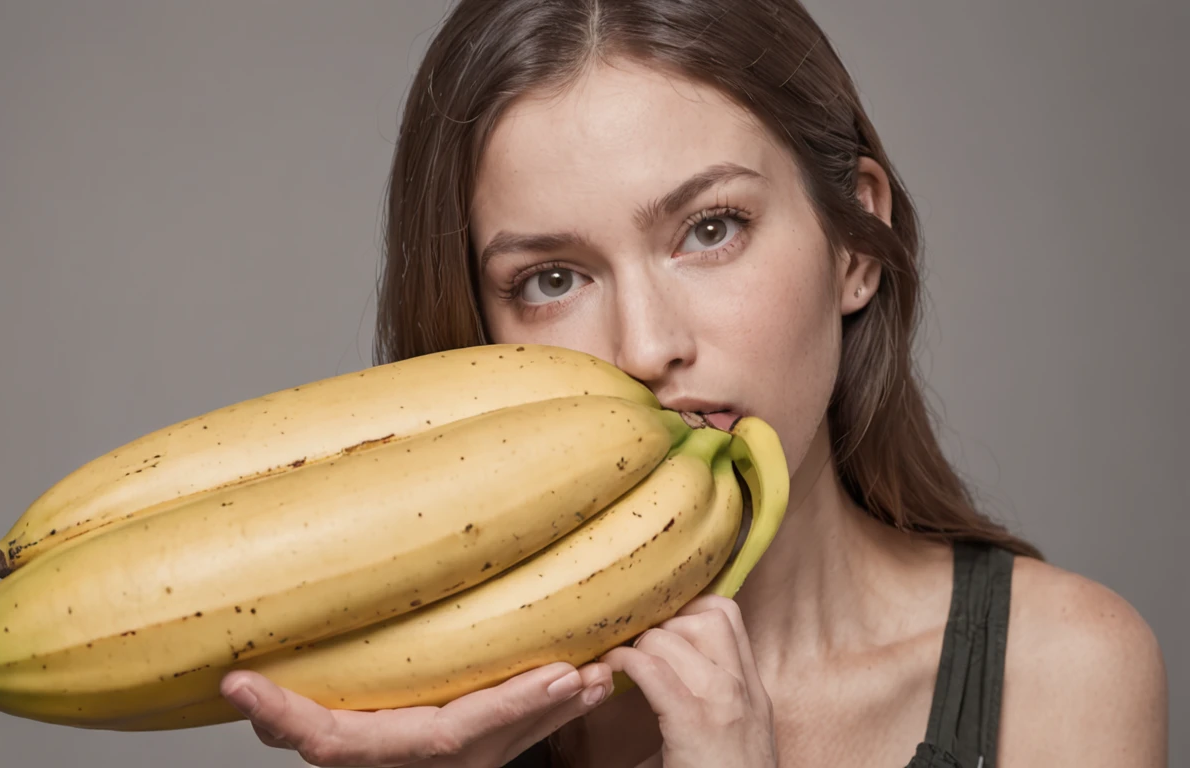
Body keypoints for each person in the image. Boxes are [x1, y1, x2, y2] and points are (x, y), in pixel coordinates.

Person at [215, 1, 1169, 765]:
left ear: (853, 244)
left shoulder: (1057, 674)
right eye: (552, 281)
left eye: (709, 229)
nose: (645, 346)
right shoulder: (440, 721)